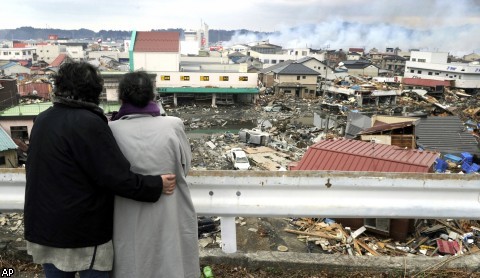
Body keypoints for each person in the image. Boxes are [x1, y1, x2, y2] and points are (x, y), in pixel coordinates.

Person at [24, 62, 176, 278]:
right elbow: (115, 177)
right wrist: (156, 184)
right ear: (95, 91)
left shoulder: (43, 119)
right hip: (82, 232)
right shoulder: (89, 123)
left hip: (43, 227)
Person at [110, 71, 200, 278]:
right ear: (152, 96)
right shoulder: (173, 125)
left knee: (133, 261)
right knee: (170, 260)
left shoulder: (111, 129)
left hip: (127, 210)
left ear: (122, 97)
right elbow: (184, 166)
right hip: (169, 206)